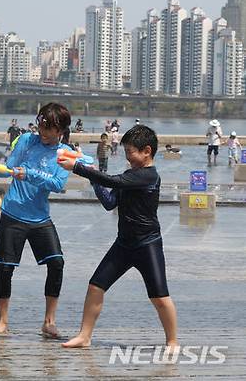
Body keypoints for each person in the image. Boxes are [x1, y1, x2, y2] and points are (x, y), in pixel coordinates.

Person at [59, 125, 178, 349]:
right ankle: (84, 337)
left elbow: (114, 182)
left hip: (147, 244)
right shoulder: (130, 175)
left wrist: (78, 167)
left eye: (131, 152)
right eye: (125, 152)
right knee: (96, 286)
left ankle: (172, 341)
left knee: (159, 297)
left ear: (147, 151)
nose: (127, 157)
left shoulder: (149, 176)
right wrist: (95, 179)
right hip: (123, 244)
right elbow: (109, 202)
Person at [0, 102, 71, 338]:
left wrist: (30, 174)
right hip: (13, 213)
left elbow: (57, 184)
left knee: (57, 264)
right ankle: (3, 321)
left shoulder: (65, 154)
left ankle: (49, 321)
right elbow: (10, 169)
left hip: (40, 217)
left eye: (48, 129)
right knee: (5, 267)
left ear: (60, 130)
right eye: (41, 126)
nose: (42, 132)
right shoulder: (26, 141)